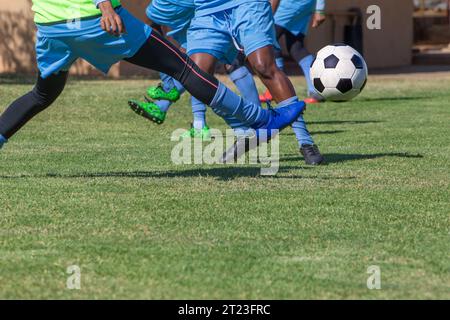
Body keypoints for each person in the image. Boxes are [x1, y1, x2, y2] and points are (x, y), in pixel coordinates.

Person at [0, 0, 304, 153]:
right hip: (94, 17)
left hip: (51, 25)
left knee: (43, 93)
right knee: (182, 67)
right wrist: (103, 4)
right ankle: (259, 120)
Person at [185, 0, 324, 165]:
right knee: (198, 79)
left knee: (264, 67)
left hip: (247, 4)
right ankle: (244, 132)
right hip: (206, 10)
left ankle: (305, 142)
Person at [131, 0, 260, 141]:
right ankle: (201, 123)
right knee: (199, 65)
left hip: (206, 6)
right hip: (210, 7)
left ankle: (168, 94)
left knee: (150, 26)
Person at [260, 0, 327, 104]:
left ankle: (275, 88)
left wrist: (320, 10)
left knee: (269, 39)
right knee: (296, 47)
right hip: (301, 5)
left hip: (290, 4)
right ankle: (316, 90)